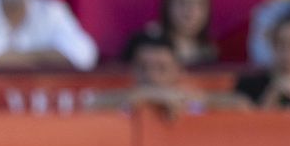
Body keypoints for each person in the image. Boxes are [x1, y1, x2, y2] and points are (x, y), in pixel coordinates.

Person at [104, 34, 245, 118]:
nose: (151, 75)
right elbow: (86, 102)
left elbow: (242, 106)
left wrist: (184, 98)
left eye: (162, 68)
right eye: (143, 67)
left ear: (178, 71)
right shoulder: (121, 100)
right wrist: (144, 96)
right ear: (133, 69)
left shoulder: (190, 101)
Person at [120, 0, 218, 68]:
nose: (191, 11)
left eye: (200, 3)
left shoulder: (210, 51)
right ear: (167, 4)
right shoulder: (146, 44)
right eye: (182, 2)